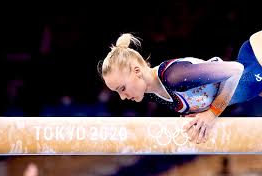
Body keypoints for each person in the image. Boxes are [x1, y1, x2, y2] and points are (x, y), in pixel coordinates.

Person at [97, 30, 262, 144]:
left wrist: (212, 113)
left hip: (257, 56)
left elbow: (235, 70)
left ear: (137, 71)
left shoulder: (173, 76)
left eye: (122, 88)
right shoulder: (150, 92)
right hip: (255, 82)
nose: (123, 97)